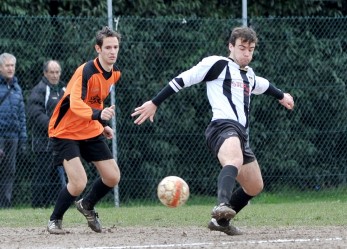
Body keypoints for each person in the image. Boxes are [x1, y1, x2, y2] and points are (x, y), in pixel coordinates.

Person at [131, 26, 294, 235]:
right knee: (233, 160)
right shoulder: (217, 64)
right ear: (230, 46)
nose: (246, 53)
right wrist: (154, 102)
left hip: (240, 133)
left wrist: (282, 96)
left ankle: (220, 223)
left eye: (250, 49)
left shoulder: (249, 76)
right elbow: (184, 79)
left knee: (254, 186)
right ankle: (221, 205)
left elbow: (263, 85)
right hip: (222, 126)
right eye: (242, 48)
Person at [46, 26, 122, 234]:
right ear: (98, 49)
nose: (112, 51)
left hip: (89, 129)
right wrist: (99, 116)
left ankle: (87, 205)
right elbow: (75, 103)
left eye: (115, 47)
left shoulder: (114, 74)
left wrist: (102, 124)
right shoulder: (86, 71)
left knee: (113, 176)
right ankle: (55, 220)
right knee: (78, 182)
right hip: (65, 131)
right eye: (107, 47)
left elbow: (95, 101)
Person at [27, 60, 67, 208]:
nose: (55, 75)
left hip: (62, 141)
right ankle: (37, 205)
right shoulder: (40, 90)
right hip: (43, 142)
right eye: (52, 72)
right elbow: (35, 113)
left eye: (57, 72)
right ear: (45, 73)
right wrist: (53, 127)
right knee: (42, 174)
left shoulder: (64, 89)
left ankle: (55, 204)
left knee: (59, 176)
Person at [0, 53, 27, 208]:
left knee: (9, 171)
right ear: (0, 68)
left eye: (12, 65)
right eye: (7, 65)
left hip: (13, 136)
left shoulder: (17, 88)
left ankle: (5, 205)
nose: (10, 68)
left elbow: (21, 115)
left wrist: (23, 138)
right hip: (0, 135)